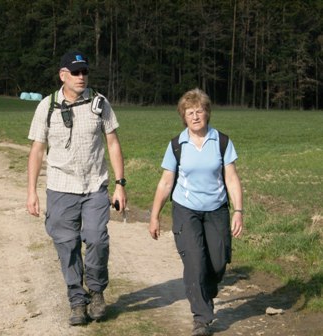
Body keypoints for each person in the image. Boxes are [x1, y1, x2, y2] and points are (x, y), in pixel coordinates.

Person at [26, 51, 127, 326]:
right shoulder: (47, 106)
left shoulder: (100, 103)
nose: (82, 77)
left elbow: (113, 143)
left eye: (85, 72)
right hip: (60, 188)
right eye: (76, 72)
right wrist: (32, 191)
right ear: (63, 75)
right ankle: (76, 301)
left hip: (94, 185)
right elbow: (37, 150)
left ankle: (96, 292)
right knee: (66, 245)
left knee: (96, 239)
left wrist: (120, 185)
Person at [148, 88, 243, 336]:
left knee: (218, 261)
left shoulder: (221, 142)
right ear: (184, 117)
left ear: (207, 113)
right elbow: (166, 182)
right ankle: (201, 318)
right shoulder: (177, 145)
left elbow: (231, 179)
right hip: (185, 210)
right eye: (189, 112)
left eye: (199, 111)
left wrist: (238, 210)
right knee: (195, 262)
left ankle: (205, 291)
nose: (195, 116)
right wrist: (155, 215)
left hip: (216, 209)